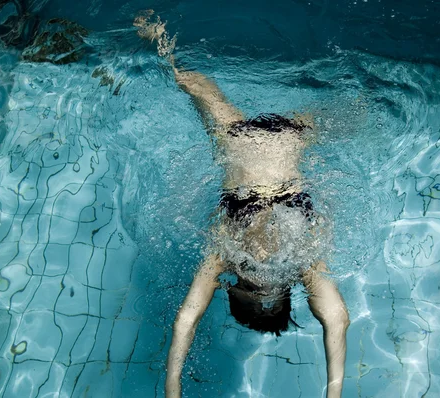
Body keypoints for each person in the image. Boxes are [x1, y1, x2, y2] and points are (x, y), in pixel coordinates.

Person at [133, 11, 350, 398]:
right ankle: (160, 39)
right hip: (252, 145)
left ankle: (161, 38)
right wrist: (171, 386)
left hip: (282, 142)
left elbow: (337, 319)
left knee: (192, 83)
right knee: (189, 82)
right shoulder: (258, 260)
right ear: (231, 291)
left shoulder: (272, 262)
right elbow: (187, 316)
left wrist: (172, 388)